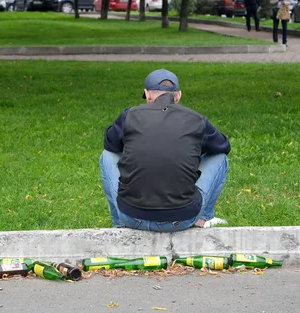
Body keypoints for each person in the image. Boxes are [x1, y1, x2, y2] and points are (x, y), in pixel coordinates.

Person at [99, 69, 231, 233]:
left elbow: (110, 145)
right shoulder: (196, 120)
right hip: (182, 219)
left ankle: (120, 224)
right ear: (179, 96)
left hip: (131, 217)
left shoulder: (129, 115)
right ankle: (202, 219)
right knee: (219, 158)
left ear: (147, 95)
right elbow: (223, 146)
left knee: (107, 156)